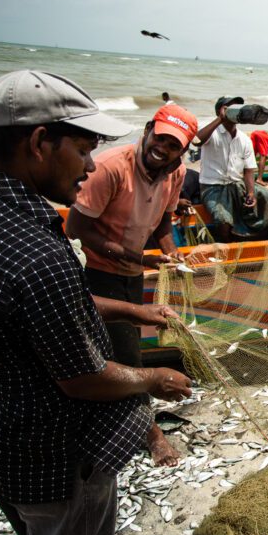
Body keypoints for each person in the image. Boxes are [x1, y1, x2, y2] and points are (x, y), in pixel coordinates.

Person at [0, 70, 193, 535]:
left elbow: (45, 305)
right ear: (39, 142)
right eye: (82, 148)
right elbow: (85, 377)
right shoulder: (39, 252)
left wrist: (134, 308)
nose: (91, 165)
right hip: (55, 451)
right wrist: (152, 378)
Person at [67, 103, 199, 468]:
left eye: (174, 145)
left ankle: (113, 418)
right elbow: (76, 229)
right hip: (94, 271)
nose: (164, 149)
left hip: (131, 271)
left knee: (118, 348)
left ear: (183, 151)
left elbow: (161, 225)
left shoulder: (176, 172)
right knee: (124, 355)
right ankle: (151, 435)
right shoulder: (110, 167)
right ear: (146, 131)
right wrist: (139, 258)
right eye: (160, 138)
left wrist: (172, 253)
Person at [196, 96, 268, 241]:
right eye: (231, 107)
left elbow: (249, 170)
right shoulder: (212, 132)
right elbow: (197, 141)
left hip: (237, 184)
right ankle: (228, 247)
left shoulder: (244, 139)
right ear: (221, 110)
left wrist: (251, 192)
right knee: (223, 221)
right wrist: (220, 119)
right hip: (213, 188)